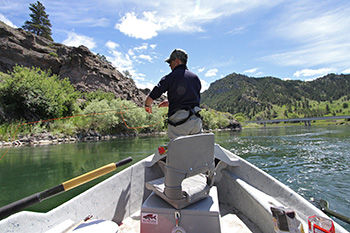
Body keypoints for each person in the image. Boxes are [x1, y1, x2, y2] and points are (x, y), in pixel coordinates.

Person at [144, 48, 203, 140]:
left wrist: (147, 105)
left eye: (170, 62)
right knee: (195, 149)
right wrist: (170, 102)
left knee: (178, 151)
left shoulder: (169, 77)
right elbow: (190, 98)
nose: (169, 65)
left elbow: (153, 95)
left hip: (179, 122)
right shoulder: (195, 78)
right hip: (196, 121)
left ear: (176, 61)